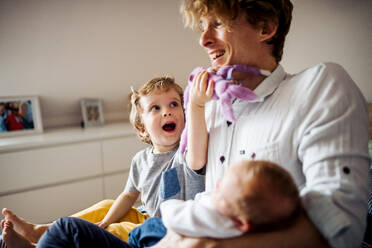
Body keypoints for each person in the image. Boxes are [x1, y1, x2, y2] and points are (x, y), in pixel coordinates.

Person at [151, 1, 369, 248]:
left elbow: (342, 228)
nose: (204, 40)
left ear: (265, 27)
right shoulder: (210, 106)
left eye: (218, 23)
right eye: (202, 26)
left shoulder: (320, 86)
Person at [0, 76, 205, 247]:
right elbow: (128, 195)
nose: (167, 111)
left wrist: (197, 105)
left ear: (185, 116)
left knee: (117, 229)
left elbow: (197, 143)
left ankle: (35, 246)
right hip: (149, 216)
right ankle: (40, 231)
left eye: (174, 104)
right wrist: (106, 220)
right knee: (107, 205)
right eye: (155, 108)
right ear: (143, 129)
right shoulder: (141, 160)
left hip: (163, 228)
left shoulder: (185, 153)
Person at [128, 160, 301, 248]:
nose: (215, 188)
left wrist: (174, 205)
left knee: (149, 225)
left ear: (241, 223)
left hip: (167, 233)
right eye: (221, 182)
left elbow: (173, 217)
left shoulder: (218, 221)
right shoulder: (245, 217)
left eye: (220, 193)